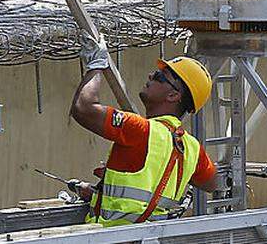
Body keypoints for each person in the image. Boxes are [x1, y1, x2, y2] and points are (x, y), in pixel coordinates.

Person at [70, 39, 220, 225]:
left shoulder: (140, 129)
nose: (151, 75)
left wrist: (95, 66)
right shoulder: (192, 148)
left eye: (159, 76)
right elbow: (212, 183)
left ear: (173, 96)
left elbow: (83, 108)